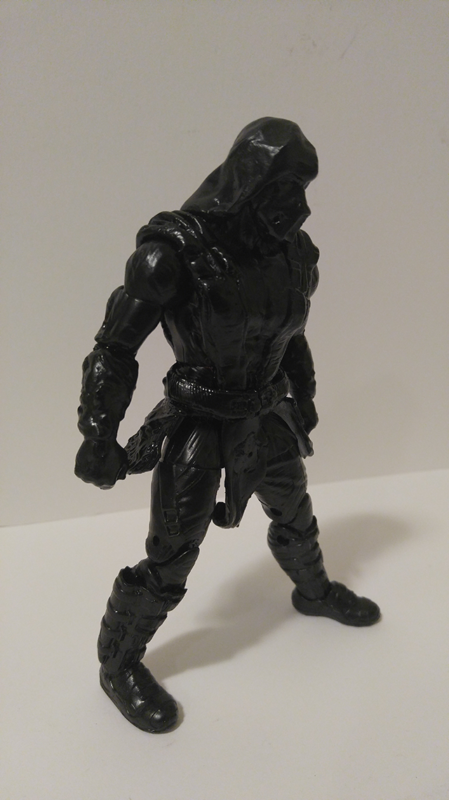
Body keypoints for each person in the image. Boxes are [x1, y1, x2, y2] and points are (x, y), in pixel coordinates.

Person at [75, 118, 380, 733]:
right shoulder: (171, 255)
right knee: (172, 555)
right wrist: (99, 434)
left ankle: (313, 591)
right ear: (247, 184)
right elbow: (114, 348)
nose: (297, 207)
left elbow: (289, 334)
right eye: (284, 189)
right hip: (199, 422)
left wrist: (304, 394)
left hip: (266, 413)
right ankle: (119, 663)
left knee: (295, 514)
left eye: (302, 190)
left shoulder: (295, 255)